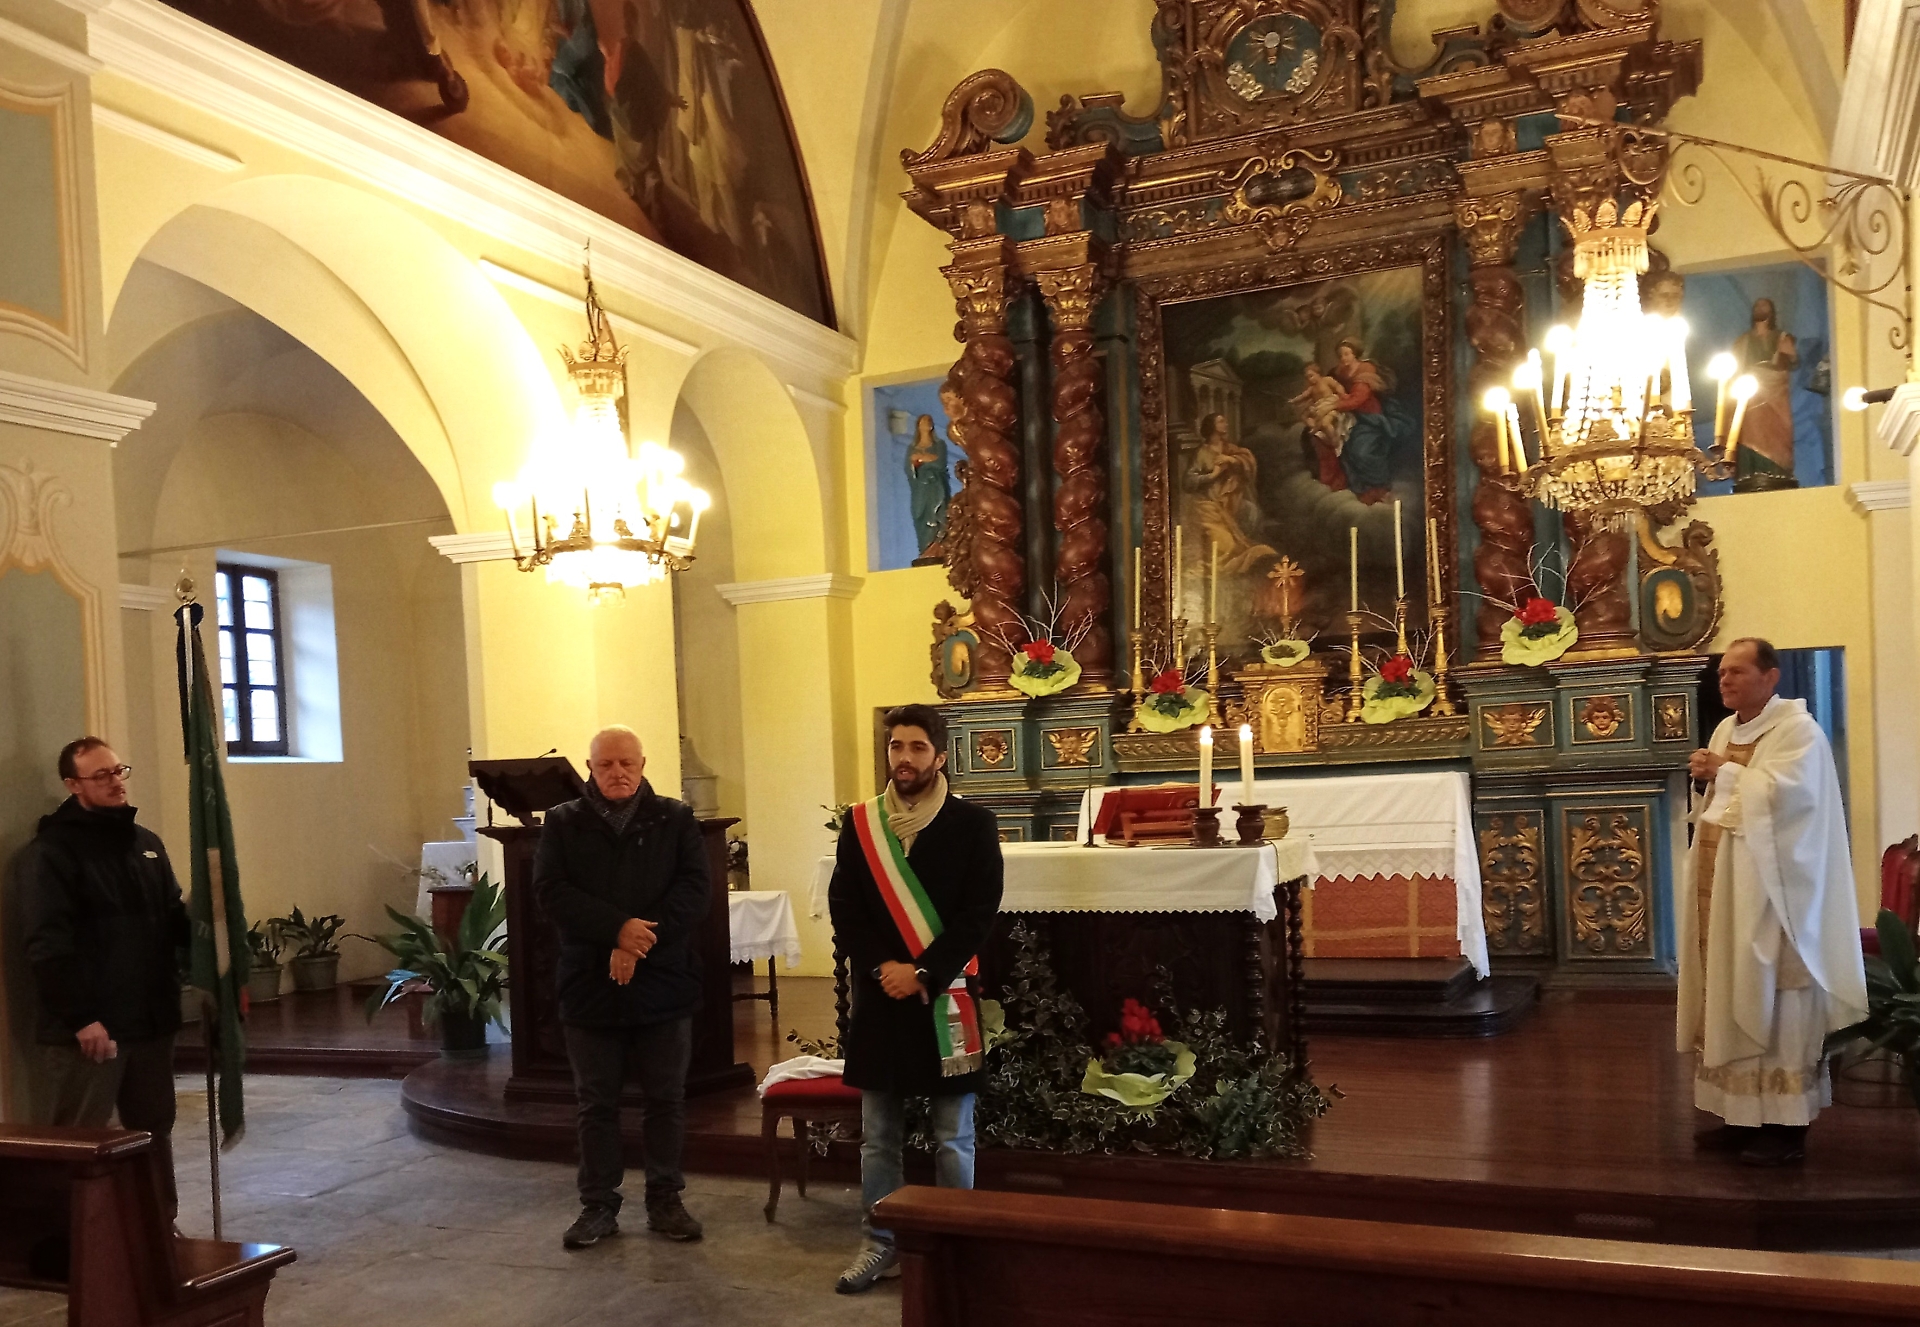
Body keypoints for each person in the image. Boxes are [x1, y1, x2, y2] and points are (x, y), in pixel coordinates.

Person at [828, 704, 1003, 1294]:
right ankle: (880, 1242)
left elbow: (978, 913)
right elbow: (846, 908)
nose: (904, 758)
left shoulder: (973, 824)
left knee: (953, 1136)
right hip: (883, 997)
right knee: (879, 1137)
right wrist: (885, 968)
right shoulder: (860, 824)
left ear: (941, 755)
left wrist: (923, 971)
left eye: (917, 747)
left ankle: (954, 1246)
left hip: (946, 996)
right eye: (896, 746)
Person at [1678, 639, 1867, 1167]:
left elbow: (1795, 803)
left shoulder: (1798, 731)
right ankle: (1739, 1115)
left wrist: (1724, 773)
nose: (1725, 680)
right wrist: (1706, 778)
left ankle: (1787, 1129)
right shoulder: (1725, 729)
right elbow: (1720, 802)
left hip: (1780, 899)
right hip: (1728, 894)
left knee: (1780, 1003)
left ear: (1771, 676)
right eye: (1722, 673)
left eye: (1737, 671)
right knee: (1731, 992)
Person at [535, 725, 708, 1247]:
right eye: (606, 764)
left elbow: (693, 891)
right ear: (590, 768)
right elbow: (551, 891)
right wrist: (615, 930)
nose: (617, 772)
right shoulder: (563, 822)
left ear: (643, 764)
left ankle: (665, 1200)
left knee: (666, 1099)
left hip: (664, 980)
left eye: (626, 763)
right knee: (596, 1103)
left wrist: (635, 942)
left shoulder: (674, 818)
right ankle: (598, 1206)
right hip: (589, 982)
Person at [20, 738, 188, 1217]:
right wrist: (81, 1017)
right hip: (94, 1027)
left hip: (151, 1019)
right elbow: (48, 944)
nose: (116, 782)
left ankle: (158, 1229)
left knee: (154, 1130)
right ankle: (67, 1240)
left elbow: (170, 917)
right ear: (73, 785)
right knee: (81, 1139)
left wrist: (208, 933)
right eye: (101, 775)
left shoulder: (146, 843)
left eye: (119, 771)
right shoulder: (52, 852)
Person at [1730, 297, 1800, 490]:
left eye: (1765, 305)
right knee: (1750, 429)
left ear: (1772, 311)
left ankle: (1778, 471)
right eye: (1758, 306)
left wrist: (1791, 353)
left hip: (1776, 390)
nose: (1761, 308)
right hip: (1751, 391)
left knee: (1778, 430)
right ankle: (1751, 472)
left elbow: (1793, 362)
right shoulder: (1743, 341)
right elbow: (1735, 369)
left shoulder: (1781, 337)